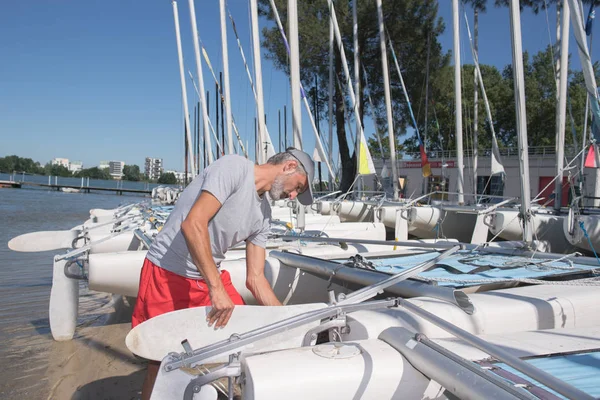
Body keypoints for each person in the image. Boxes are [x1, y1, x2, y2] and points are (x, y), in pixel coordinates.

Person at [132, 147, 315, 399]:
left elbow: (255, 278)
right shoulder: (234, 168)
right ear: (289, 166)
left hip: (206, 277)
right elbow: (193, 223)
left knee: (241, 337)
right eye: (298, 187)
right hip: (167, 272)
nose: (293, 195)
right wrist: (216, 289)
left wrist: (285, 319)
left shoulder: (264, 216)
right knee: (161, 360)